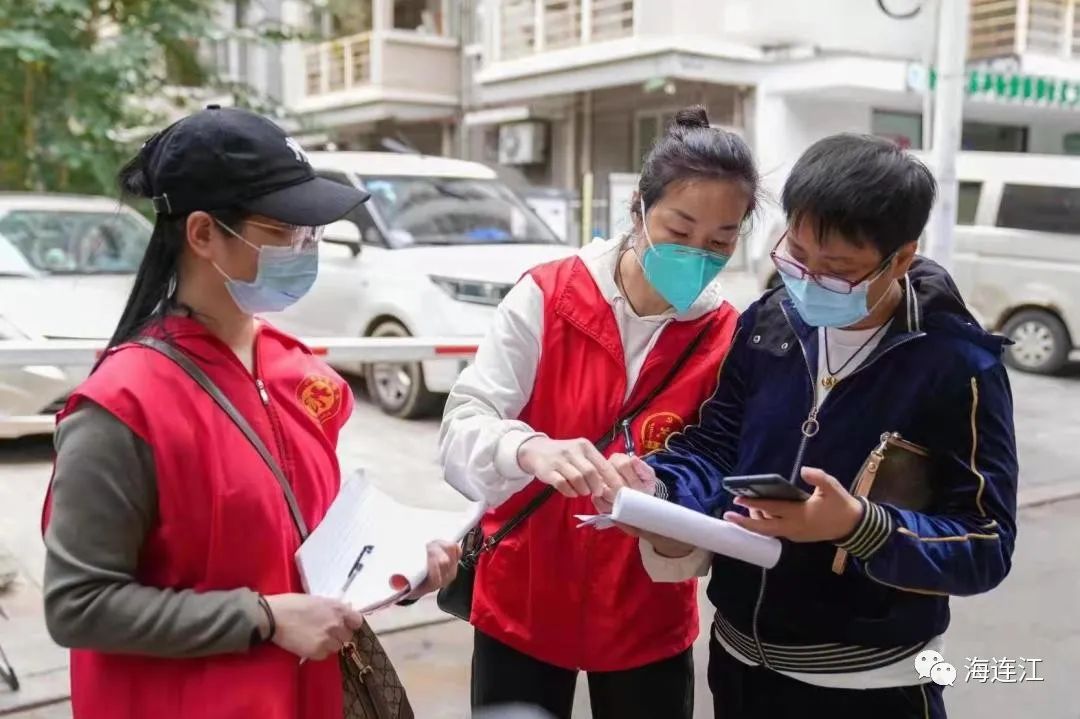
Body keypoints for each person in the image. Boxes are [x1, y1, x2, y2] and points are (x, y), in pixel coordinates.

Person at [41, 105, 461, 719]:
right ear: (204, 233)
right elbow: (77, 605)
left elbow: (305, 544)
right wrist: (261, 617)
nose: (307, 248)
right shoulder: (122, 407)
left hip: (307, 695)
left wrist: (395, 573)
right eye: (286, 231)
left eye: (313, 232)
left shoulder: (294, 370)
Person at [604, 134, 1019, 718]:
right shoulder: (768, 326)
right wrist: (662, 486)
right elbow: (716, 445)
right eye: (796, 255)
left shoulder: (958, 366)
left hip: (871, 689)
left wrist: (857, 525)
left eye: (838, 270)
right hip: (739, 667)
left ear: (900, 258)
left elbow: (985, 544)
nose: (808, 280)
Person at [439, 105, 759, 719]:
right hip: (524, 599)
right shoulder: (549, 294)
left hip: (647, 611)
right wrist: (529, 448)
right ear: (638, 208)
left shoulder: (727, 335)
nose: (697, 253)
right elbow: (463, 423)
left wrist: (671, 497)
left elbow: (722, 470)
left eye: (720, 241)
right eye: (679, 230)